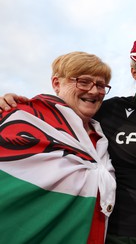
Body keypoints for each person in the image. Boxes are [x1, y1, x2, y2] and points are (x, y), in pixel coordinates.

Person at [0, 38, 136, 243]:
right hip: (125, 234)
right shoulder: (108, 110)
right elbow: (65, 111)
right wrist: (12, 104)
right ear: (134, 72)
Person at [0, 51, 116, 243]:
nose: (94, 91)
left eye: (101, 85)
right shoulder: (25, 117)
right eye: (83, 81)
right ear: (56, 83)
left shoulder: (101, 137)